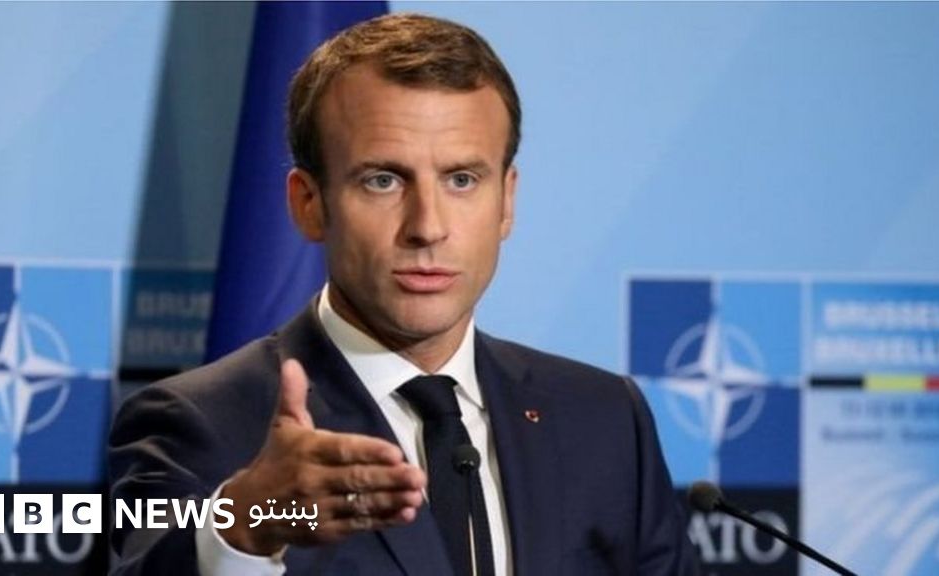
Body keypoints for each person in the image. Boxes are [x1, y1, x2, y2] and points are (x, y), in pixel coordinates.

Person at [109, 13, 699, 576]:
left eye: (462, 179)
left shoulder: (603, 417)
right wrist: (246, 525)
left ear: (506, 200)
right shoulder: (200, 421)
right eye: (383, 180)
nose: (428, 226)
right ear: (309, 204)